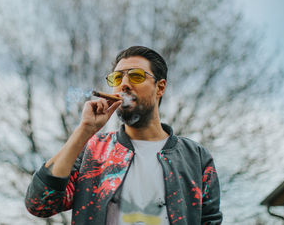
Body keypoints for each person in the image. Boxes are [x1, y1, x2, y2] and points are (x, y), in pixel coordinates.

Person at [25, 46, 222, 224]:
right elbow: (40, 204)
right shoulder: (93, 151)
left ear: (160, 87)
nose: (124, 84)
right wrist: (84, 131)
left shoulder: (196, 157)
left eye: (136, 76)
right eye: (117, 78)